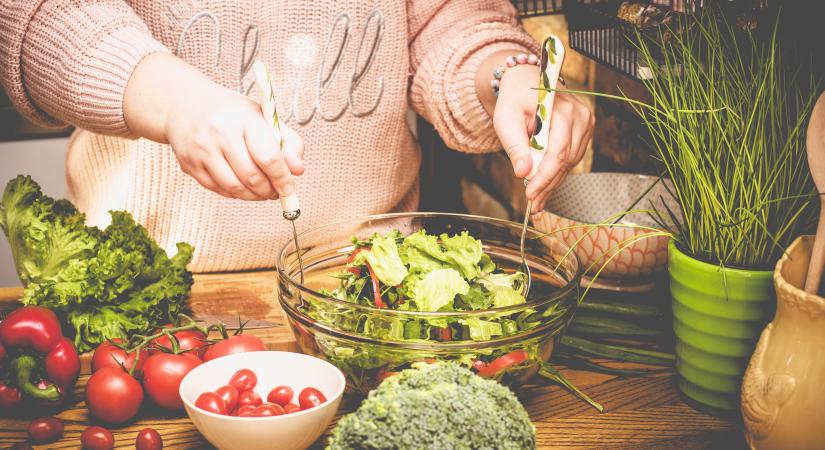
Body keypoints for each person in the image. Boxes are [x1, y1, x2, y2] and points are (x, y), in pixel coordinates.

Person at [0, 0, 594, 272]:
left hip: (363, 277)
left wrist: (504, 77)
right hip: (142, 282)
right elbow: (38, 16)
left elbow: (445, 18)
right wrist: (175, 103)